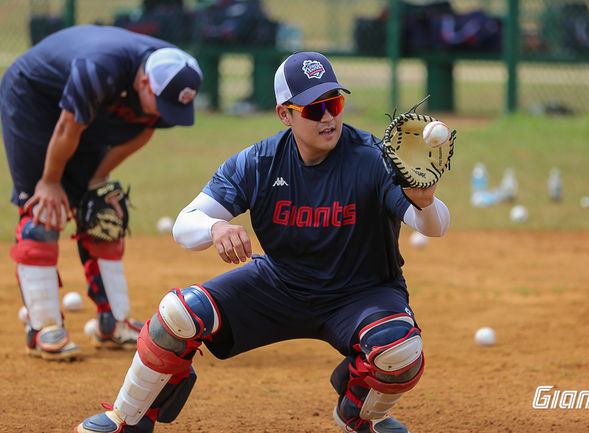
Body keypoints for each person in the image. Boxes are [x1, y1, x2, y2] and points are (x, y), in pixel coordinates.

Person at [75, 51, 450, 433]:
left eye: (334, 103)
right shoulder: (260, 162)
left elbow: (434, 227)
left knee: (398, 349)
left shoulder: (372, 157)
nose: (328, 117)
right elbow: (185, 225)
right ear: (284, 114)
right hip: (280, 285)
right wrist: (215, 229)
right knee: (177, 315)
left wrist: (425, 201)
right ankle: (129, 419)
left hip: (362, 293)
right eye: (313, 109)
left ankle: (359, 413)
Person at [0, 25, 202, 361]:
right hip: (34, 98)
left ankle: (113, 321)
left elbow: (143, 129)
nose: (163, 113)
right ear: (142, 83)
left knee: (101, 210)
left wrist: (97, 178)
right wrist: (50, 181)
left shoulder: (175, 79)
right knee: (43, 212)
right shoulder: (100, 69)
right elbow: (68, 126)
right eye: (160, 103)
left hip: (90, 109)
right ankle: (42, 328)